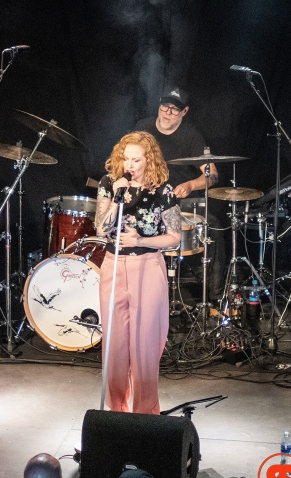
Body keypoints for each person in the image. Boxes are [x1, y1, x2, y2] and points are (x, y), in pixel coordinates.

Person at [95, 131, 181, 414]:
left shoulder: (163, 190)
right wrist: (119, 198)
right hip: (114, 265)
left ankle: (145, 414)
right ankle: (116, 412)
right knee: (115, 344)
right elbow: (101, 228)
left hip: (147, 265)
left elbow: (174, 237)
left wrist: (141, 240)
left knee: (145, 344)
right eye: (126, 159)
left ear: (149, 161)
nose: (130, 165)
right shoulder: (109, 184)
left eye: (136, 160)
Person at [133, 87, 225, 300]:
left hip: (180, 201)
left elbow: (212, 175)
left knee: (215, 228)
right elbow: (124, 160)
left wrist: (192, 185)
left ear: (185, 112)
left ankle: (213, 296)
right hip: (147, 200)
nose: (167, 113)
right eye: (165, 106)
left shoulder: (191, 135)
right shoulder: (142, 128)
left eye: (175, 110)